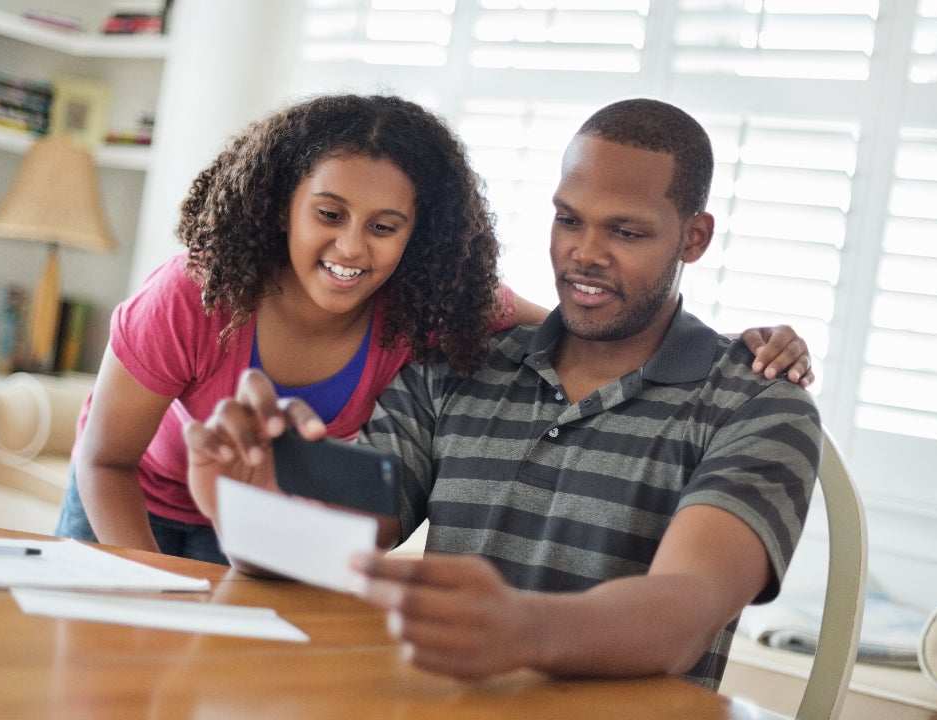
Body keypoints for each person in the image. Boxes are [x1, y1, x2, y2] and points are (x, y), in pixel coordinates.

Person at [183, 97, 822, 691]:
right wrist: (248, 502)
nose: (584, 253)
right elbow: (337, 550)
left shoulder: (758, 401)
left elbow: (687, 611)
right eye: (568, 219)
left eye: (625, 232)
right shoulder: (455, 368)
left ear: (694, 238)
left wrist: (523, 631)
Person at [59, 93, 815, 564]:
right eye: (329, 215)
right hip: (133, 496)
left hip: (252, 520)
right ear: (280, 203)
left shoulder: (432, 310)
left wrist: (730, 346)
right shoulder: (199, 294)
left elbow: (576, 318)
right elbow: (106, 463)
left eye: (384, 227)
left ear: (417, 235)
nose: (352, 247)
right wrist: (156, 583)